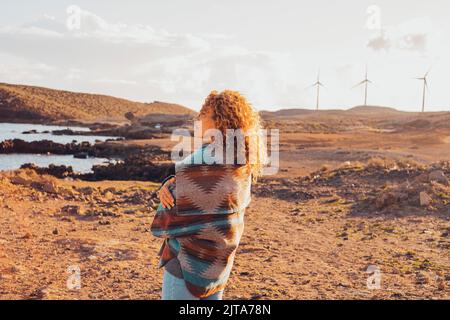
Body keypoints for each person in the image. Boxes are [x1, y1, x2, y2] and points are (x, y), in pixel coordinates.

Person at [151, 90, 266, 300]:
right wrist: (172, 182)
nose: (197, 120)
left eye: (203, 114)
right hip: (218, 263)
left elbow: (169, 213)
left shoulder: (206, 157)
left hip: (187, 263)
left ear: (218, 120)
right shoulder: (242, 160)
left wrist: (168, 192)